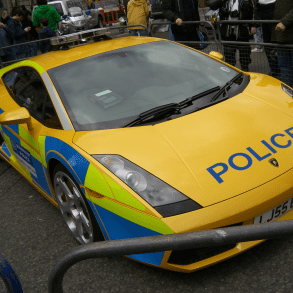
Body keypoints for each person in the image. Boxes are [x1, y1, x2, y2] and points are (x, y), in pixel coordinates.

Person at [209, 0, 257, 71]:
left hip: (242, 31)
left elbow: (254, 11)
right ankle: (231, 74)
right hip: (227, 31)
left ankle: (245, 73)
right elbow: (212, 5)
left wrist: (253, 25)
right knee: (229, 56)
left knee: (245, 55)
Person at [253, 0, 280, 76]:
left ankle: (281, 70)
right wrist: (255, 24)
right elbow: (256, 9)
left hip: (275, 9)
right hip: (263, 10)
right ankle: (274, 70)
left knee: (278, 44)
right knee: (268, 45)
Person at [271, 0, 293, 87]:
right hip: (281, 36)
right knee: (284, 68)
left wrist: (284, 22)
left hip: (287, 34)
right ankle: (287, 94)